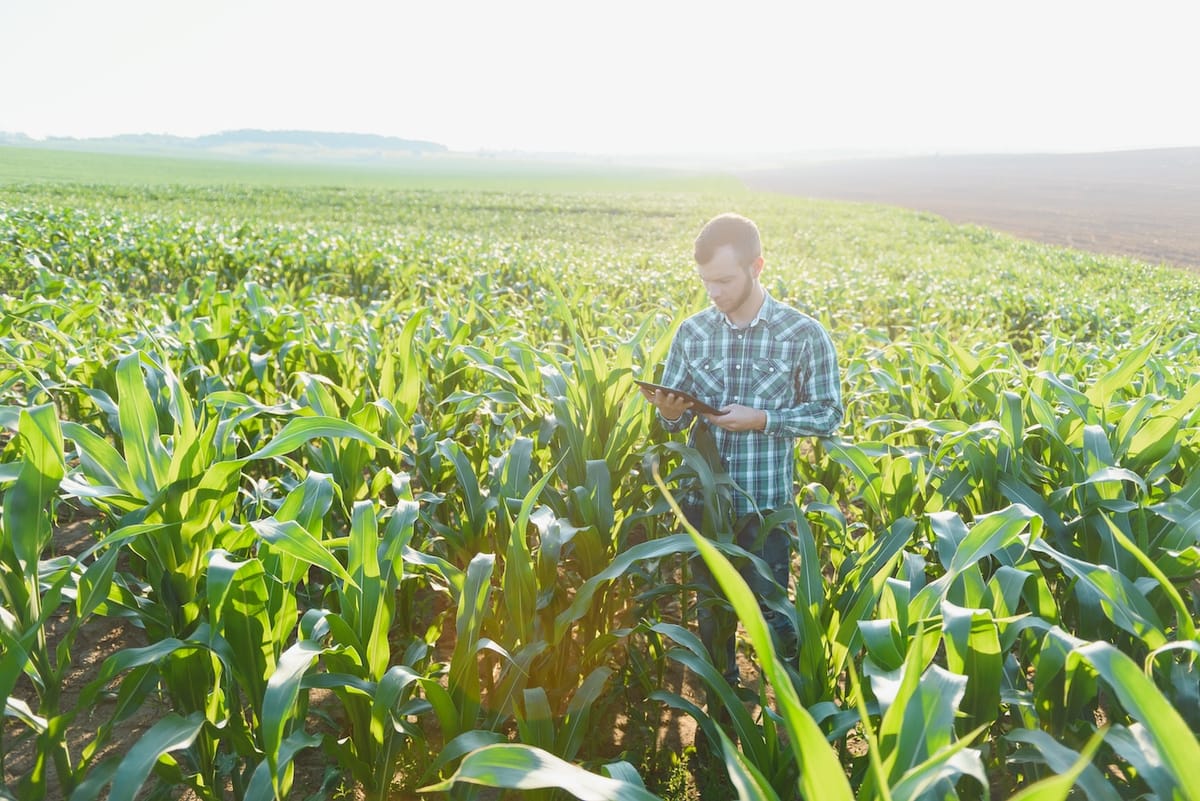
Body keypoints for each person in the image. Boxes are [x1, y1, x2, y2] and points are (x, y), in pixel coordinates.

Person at [640, 212, 843, 686]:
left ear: (758, 267)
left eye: (725, 280)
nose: (714, 292)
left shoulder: (802, 334)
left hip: (764, 508)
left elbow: (830, 414)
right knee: (711, 618)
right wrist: (669, 411)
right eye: (706, 281)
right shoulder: (693, 333)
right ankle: (721, 719)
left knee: (774, 619)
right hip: (704, 503)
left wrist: (764, 419)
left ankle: (791, 722)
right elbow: (673, 418)